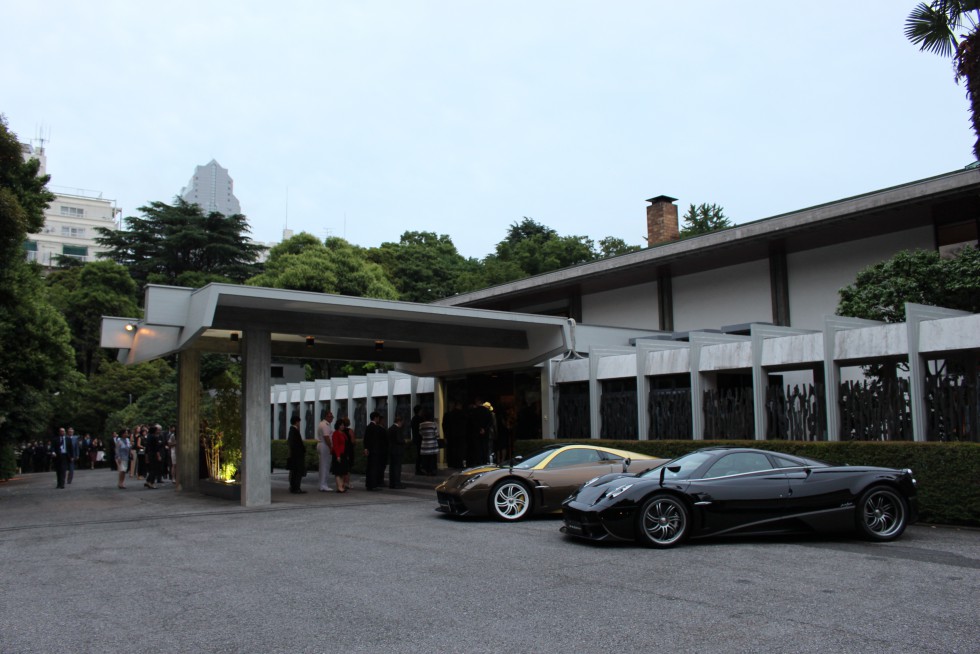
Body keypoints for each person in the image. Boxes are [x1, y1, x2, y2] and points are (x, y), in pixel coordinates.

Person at [363, 411, 387, 490]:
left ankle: (369, 484)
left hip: (371, 451)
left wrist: (366, 448)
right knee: (374, 468)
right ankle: (373, 485)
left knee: (370, 468)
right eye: (378, 418)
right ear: (376, 418)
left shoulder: (369, 426)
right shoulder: (376, 427)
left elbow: (366, 439)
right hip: (375, 451)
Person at [442, 401, 467, 468]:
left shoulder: (448, 414)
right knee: (460, 450)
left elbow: (444, 426)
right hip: (460, 436)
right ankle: (459, 464)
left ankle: (451, 464)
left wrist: (445, 435)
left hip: (451, 436)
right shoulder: (463, 414)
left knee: (451, 450)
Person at [286, 415, 307, 494]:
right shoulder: (294, 430)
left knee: (294, 472)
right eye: (299, 422)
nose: (299, 424)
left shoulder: (292, 430)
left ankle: (294, 487)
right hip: (297, 455)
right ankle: (296, 488)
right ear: (297, 422)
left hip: (295, 455)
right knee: (297, 472)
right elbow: (294, 443)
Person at [387, 415, 408, 489]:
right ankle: (397, 483)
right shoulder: (397, 429)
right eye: (402, 422)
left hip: (391, 451)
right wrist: (404, 441)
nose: (402, 424)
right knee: (397, 468)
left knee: (392, 468)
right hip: (397, 451)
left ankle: (392, 483)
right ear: (399, 421)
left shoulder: (390, 429)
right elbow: (399, 440)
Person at [317, 411, 334, 492]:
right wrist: (330, 447)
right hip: (325, 445)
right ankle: (323, 485)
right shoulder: (325, 425)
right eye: (330, 416)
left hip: (322, 444)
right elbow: (326, 437)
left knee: (323, 465)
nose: (332, 418)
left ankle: (322, 484)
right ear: (326, 417)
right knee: (325, 466)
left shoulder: (322, 424)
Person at [418, 410, 439, 475]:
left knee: (426, 459)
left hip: (425, 444)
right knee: (432, 459)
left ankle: (427, 471)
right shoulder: (433, 424)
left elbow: (420, 433)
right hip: (432, 445)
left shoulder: (421, 425)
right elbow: (436, 434)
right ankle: (432, 471)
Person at [330, 417, 348, 493]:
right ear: (338, 426)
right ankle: (340, 487)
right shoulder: (335, 433)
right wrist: (338, 456)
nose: (342, 426)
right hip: (338, 454)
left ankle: (341, 486)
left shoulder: (343, 434)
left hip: (343, 454)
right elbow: (335, 445)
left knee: (343, 471)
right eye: (341, 425)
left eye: (343, 425)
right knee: (338, 471)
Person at [143, 424, 163, 489]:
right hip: (154, 454)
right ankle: (151, 482)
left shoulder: (148, 437)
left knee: (151, 468)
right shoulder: (154, 437)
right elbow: (156, 448)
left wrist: (146, 456)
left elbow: (147, 447)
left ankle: (148, 481)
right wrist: (159, 456)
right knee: (154, 469)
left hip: (149, 453)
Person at [411, 405, 423, 474]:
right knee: (419, 455)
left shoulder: (413, 419)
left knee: (418, 454)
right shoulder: (420, 419)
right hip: (420, 439)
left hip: (415, 439)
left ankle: (418, 468)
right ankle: (419, 469)